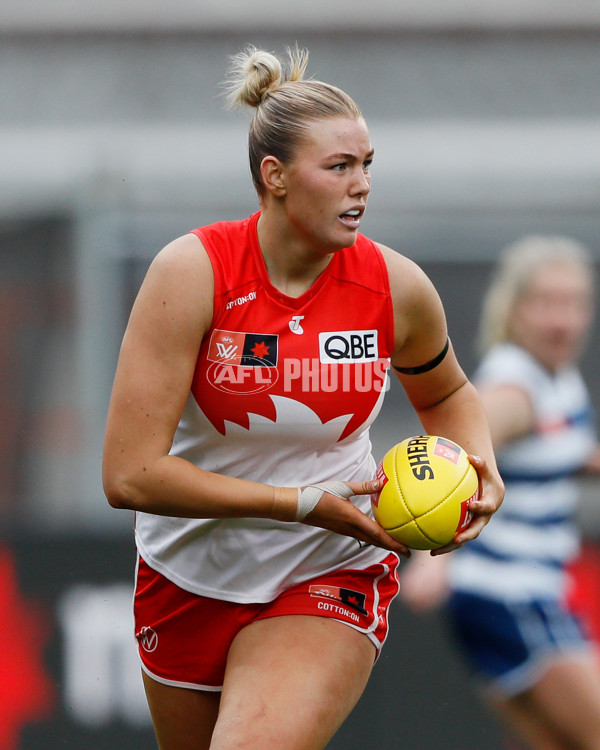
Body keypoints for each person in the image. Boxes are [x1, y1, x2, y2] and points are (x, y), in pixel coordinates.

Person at [102, 45, 503, 750]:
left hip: (331, 565)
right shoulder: (193, 272)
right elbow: (129, 474)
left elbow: (449, 392)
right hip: (188, 573)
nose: (363, 187)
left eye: (368, 165)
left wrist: (481, 460)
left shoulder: (394, 285)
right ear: (275, 176)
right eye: (340, 167)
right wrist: (298, 504)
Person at [400, 235, 600, 750]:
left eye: (574, 303)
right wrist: (432, 556)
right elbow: (455, 452)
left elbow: (564, 450)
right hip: (511, 594)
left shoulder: (557, 379)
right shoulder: (516, 387)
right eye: (547, 302)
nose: (563, 319)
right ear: (513, 309)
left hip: (511, 596)